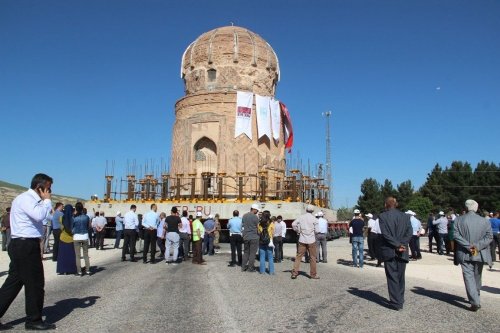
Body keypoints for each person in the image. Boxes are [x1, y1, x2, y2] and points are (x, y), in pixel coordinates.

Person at [0, 173, 56, 330]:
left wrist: (45, 203)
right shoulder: (26, 199)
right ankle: (33, 320)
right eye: (48, 188)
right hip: (25, 245)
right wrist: (46, 201)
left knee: (13, 282)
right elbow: (39, 216)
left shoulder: (33, 200)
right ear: (40, 187)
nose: (50, 192)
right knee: (35, 283)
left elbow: (48, 218)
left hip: (23, 244)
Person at [454, 199, 493, 311]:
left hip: (465, 252)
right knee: (477, 276)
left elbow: (456, 235)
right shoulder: (484, 221)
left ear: (466, 208)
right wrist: (476, 247)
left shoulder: (459, 220)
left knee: (468, 277)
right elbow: (489, 236)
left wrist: (470, 247)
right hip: (479, 252)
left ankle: (475, 300)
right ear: (476, 208)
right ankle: (477, 297)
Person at [378, 197, 412, 311]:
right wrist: (402, 244)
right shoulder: (405, 216)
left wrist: (397, 245)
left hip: (390, 250)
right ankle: (400, 299)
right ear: (396, 204)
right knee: (401, 276)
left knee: (392, 276)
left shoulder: (382, 217)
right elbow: (409, 232)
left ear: (385, 205)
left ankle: (396, 302)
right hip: (403, 249)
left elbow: (386, 234)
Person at [291, 204, 319, 279]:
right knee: (312, 257)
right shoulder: (314, 219)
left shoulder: (301, 217)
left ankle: (294, 273)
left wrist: (298, 230)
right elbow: (317, 230)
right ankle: (313, 274)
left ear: (306, 210)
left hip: (302, 239)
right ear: (312, 211)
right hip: (311, 240)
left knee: (298, 256)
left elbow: (293, 224)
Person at [56, 204, 77, 275]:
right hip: (71, 239)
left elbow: (61, 228)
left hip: (63, 238)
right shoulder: (73, 219)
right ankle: (71, 269)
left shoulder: (61, 218)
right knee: (71, 255)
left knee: (62, 256)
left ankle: (62, 269)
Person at [72, 202, 91, 276]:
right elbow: (89, 227)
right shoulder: (86, 217)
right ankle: (88, 270)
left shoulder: (74, 218)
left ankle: (79, 271)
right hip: (85, 236)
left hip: (76, 236)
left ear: (76, 209)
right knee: (86, 254)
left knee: (77, 255)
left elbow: (72, 227)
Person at [241, 204, 260, 272]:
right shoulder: (255, 217)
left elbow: (242, 226)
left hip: (246, 236)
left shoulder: (244, 215)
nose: (257, 211)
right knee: (252, 253)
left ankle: (243, 267)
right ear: (254, 209)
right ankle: (250, 268)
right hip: (254, 237)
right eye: (257, 210)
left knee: (246, 252)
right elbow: (258, 228)